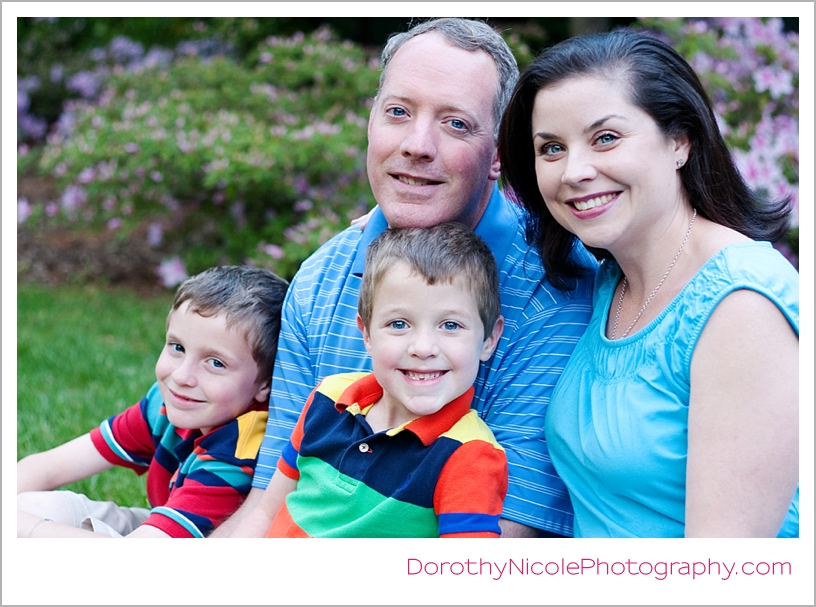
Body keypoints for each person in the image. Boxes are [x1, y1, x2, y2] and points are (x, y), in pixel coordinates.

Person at [212, 18, 597, 539]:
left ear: (499, 154)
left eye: (455, 123)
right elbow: (269, 502)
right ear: (371, 123)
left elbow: (509, 536)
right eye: (398, 112)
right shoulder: (322, 280)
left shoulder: (553, 295)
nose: (417, 144)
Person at [498, 28, 799, 537]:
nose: (574, 171)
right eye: (551, 148)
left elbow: (721, 569)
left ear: (679, 141)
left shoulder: (743, 306)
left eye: (605, 138)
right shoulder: (608, 279)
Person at [249, 223, 508, 537]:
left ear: (489, 339)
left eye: (451, 325)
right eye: (399, 324)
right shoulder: (328, 397)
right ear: (367, 334)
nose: (423, 348)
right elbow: (265, 511)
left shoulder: (469, 456)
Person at [17, 265, 288, 538]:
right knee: (30, 506)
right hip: (157, 530)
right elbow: (49, 466)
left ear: (265, 385)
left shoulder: (238, 451)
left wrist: (27, 528)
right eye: (177, 347)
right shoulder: (168, 403)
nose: (181, 376)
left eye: (216, 363)